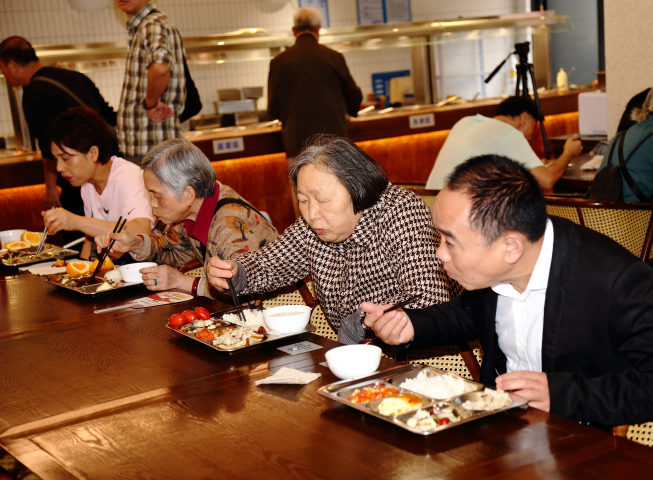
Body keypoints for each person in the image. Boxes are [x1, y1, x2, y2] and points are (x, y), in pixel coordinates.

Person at [364, 154, 653, 429]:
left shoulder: (616, 281)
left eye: (450, 242)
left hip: (581, 442)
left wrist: (563, 394)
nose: (439, 253)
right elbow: (472, 314)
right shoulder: (503, 262)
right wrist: (411, 325)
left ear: (510, 247)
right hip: (501, 432)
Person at [206, 135, 460, 344]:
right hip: (352, 354)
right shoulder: (315, 226)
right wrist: (236, 272)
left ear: (357, 189)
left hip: (422, 356)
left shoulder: (401, 212)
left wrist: (362, 320)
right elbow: (271, 263)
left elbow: (428, 298)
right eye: (303, 201)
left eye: (323, 201)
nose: (311, 214)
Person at [95, 139, 277, 298]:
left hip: (277, 316)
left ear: (188, 194)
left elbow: (242, 293)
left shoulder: (229, 226)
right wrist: (134, 244)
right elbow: (172, 248)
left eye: (156, 195)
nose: (152, 204)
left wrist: (182, 281)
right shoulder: (198, 208)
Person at [0, 36, 117, 243]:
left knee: (76, 229)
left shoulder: (33, 93)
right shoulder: (75, 75)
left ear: (13, 64)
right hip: (110, 165)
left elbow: (47, 146)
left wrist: (51, 188)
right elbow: (110, 117)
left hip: (81, 176)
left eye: (3, 68)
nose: (4, 74)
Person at [41, 107, 153, 259]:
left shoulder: (129, 177)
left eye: (65, 158)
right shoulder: (87, 184)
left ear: (93, 153)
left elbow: (141, 230)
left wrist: (75, 221)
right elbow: (89, 240)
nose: (59, 168)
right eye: (56, 159)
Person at [425, 96, 583, 191]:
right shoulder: (509, 133)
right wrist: (568, 152)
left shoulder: (465, 121)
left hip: (431, 203)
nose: (529, 138)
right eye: (533, 127)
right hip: (457, 213)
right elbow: (547, 180)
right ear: (523, 118)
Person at [267, 8, 363, 159]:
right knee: (338, 181)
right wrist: (350, 111)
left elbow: (273, 108)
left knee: (302, 182)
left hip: (298, 143)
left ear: (293, 30)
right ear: (318, 29)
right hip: (334, 142)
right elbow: (354, 95)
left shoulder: (279, 62)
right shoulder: (333, 57)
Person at [115, 0, 185, 165]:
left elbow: (161, 68)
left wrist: (150, 104)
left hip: (151, 146)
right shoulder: (148, 25)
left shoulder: (151, 24)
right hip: (152, 146)